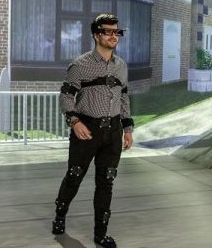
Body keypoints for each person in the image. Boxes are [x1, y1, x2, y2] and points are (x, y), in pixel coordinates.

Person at [52, 14, 134, 248]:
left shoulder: (121, 66)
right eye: (107, 31)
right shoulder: (80, 65)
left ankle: (101, 234)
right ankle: (60, 216)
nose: (113, 36)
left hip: (113, 132)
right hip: (86, 131)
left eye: (116, 32)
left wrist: (127, 129)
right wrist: (74, 121)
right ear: (96, 35)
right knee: (75, 175)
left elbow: (124, 97)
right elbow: (66, 95)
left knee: (106, 182)